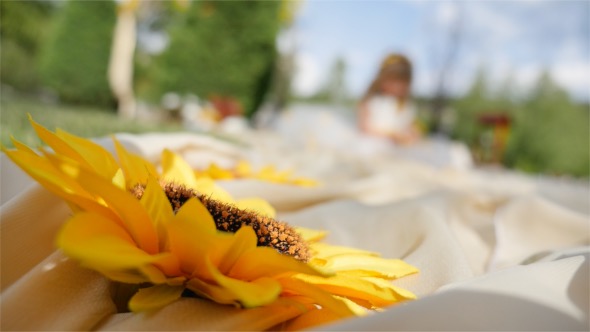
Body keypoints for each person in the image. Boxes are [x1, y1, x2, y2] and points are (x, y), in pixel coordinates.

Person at [358, 53, 421, 145]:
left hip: (398, 151)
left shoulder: (405, 106)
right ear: (382, 79)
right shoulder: (372, 102)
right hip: (372, 147)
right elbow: (364, 129)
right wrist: (391, 135)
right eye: (393, 81)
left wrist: (413, 134)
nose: (397, 87)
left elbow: (411, 126)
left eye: (402, 82)